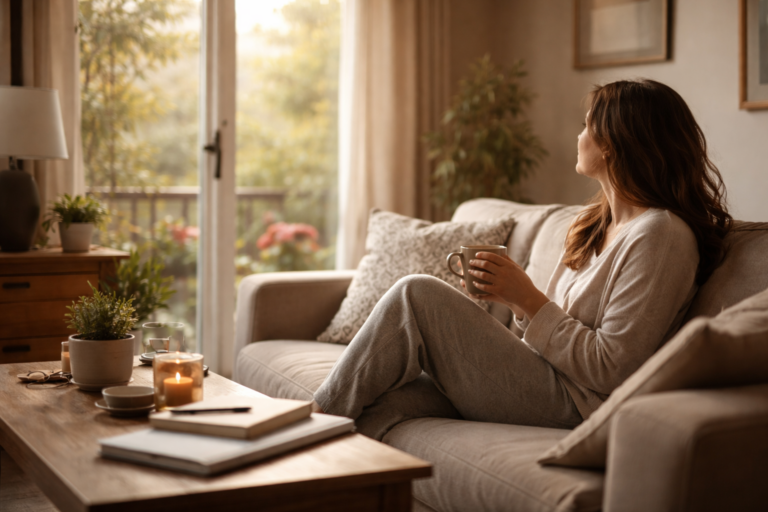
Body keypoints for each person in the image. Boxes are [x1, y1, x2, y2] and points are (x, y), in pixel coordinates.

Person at [312, 79, 732, 440]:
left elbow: (613, 368)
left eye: (587, 125)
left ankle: (305, 430)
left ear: (613, 144)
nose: (579, 134)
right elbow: (547, 330)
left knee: (415, 294)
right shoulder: (595, 223)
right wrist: (515, 300)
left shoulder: (661, 236)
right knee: (381, 405)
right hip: (544, 375)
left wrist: (528, 299)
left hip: (578, 404)